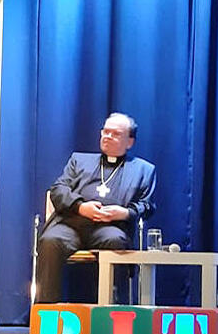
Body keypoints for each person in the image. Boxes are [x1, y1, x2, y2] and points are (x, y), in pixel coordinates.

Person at [35, 112, 156, 304]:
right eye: (105, 132)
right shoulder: (79, 160)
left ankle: (114, 310)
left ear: (130, 142)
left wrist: (124, 213)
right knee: (51, 240)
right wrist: (80, 207)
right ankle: (47, 313)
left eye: (115, 134)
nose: (107, 137)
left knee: (116, 241)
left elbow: (147, 205)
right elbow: (58, 189)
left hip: (110, 228)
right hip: (71, 223)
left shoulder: (143, 170)